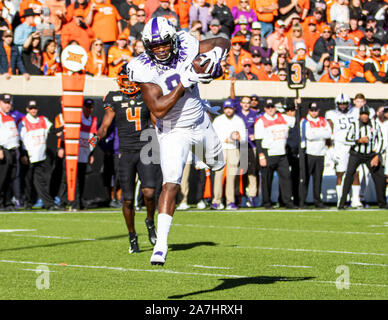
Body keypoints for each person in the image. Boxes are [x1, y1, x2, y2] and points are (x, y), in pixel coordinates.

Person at [126, 16, 229, 265]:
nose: (160, 50)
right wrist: (184, 82)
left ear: (173, 39)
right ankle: (160, 245)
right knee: (170, 183)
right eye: (155, 46)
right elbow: (158, 109)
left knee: (218, 164)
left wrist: (215, 58)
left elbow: (222, 40)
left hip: (201, 122)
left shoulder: (186, 42)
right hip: (172, 130)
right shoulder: (142, 67)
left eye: (164, 44)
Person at [95, 65, 157, 253]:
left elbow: (155, 121)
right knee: (128, 199)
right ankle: (132, 236)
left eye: (132, 79)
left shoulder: (146, 94)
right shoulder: (114, 97)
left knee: (149, 192)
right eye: (126, 79)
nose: (129, 83)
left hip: (145, 149)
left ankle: (150, 222)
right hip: (126, 152)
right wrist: (94, 138)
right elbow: (105, 124)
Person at [339, 105, 388, 209]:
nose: (364, 116)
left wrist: (376, 154)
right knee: (349, 176)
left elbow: (380, 140)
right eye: (362, 114)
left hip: (371, 154)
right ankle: (342, 203)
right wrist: (358, 140)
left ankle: (382, 203)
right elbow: (347, 140)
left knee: (380, 177)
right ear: (360, 115)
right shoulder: (354, 125)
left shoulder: (375, 124)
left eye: (366, 114)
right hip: (356, 154)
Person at [18, 99, 62, 210]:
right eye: (31, 108)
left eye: (35, 108)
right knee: (27, 182)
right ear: (27, 109)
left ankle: (49, 204)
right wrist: (23, 154)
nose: (33, 110)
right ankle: (27, 203)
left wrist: (64, 128)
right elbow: (20, 139)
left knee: (40, 182)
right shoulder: (23, 121)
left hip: (40, 156)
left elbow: (53, 130)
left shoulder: (43, 120)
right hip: (29, 156)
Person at [254, 98, 297, 209]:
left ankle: (287, 201)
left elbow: (294, 120)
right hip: (268, 153)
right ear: (265, 108)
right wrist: (261, 155)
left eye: (272, 107)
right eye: (268, 107)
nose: (270, 109)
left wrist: (296, 105)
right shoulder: (261, 121)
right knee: (267, 179)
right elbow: (258, 141)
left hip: (281, 153)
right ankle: (267, 202)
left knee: (286, 178)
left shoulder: (282, 117)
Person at [59, 99, 97, 211]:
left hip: (84, 154)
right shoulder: (77, 117)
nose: (89, 109)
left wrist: (91, 153)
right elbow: (67, 132)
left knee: (80, 180)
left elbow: (94, 137)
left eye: (91, 107)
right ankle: (65, 202)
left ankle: (77, 201)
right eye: (87, 107)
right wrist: (61, 147)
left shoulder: (93, 120)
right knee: (68, 179)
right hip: (72, 154)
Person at [325, 93, 361, 208]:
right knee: (340, 172)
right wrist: (330, 148)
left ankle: (355, 199)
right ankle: (341, 199)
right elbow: (329, 130)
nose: (342, 106)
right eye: (340, 104)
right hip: (340, 145)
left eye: (344, 103)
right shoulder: (331, 114)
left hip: (353, 145)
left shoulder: (355, 112)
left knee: (355, 172)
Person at [211, 99, 247, 210]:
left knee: (231, 177)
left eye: (230, 108)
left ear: (234, 108)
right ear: (223, 109)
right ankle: (216, 201)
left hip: (233, 150)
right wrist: (225, 139)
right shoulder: (218, 120)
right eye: (226, 108)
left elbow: (244, 138)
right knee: (218, 175)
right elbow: (213, 135)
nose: (228, 110)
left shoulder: (239, 120)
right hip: (220, 149)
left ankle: (230, 202)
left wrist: (238, 138)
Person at [300, 102, 332, 208]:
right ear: (308, 111)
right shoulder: (305, 121)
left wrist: (317, 133)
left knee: (318, 179)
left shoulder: (323, 120)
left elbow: (328, 134)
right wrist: (321, 133)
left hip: (320, 153)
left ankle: (317, 201)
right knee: (305, 179)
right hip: (309, 153)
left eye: (315, 110)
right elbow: (309, 136)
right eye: (311, 110)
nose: (314, 112)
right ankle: (302, 201)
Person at [0, 94, 20, 210]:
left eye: (9, 102)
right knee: (2, 178)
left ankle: (7, 202)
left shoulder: (10, 116)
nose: (8, 105)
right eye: (5, 102)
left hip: (12, 150)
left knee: (9, 178)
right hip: (4, 150)